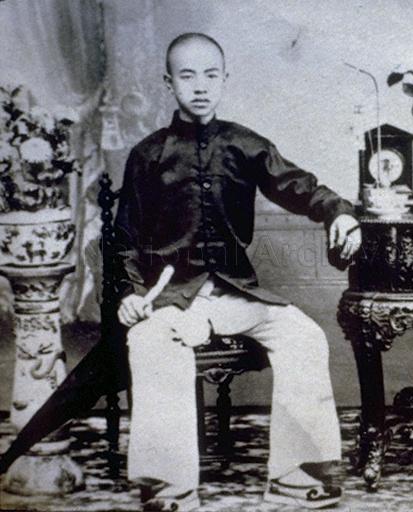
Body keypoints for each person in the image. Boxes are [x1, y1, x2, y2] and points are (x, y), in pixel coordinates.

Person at [114, 32, 361, 511]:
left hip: (234, 292)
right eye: (187, 76)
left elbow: (297, 186)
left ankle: (296, 474)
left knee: (304, 336)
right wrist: (130, 291)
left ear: (224, 79)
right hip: (172, 295)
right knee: (149, 342)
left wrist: (339, 212)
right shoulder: (148, 155)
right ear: (169, 83)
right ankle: (170, 489)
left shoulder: (245, 144)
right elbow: (124, 238)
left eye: (210, 75)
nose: (200, 86)